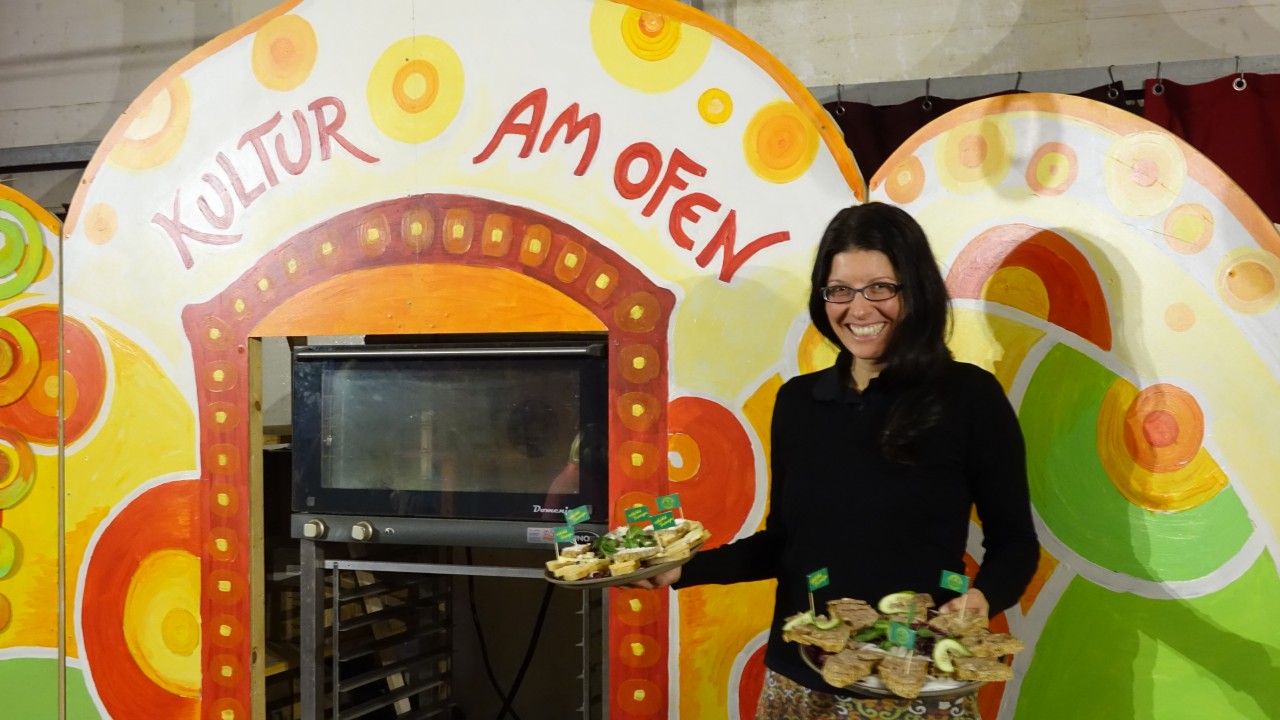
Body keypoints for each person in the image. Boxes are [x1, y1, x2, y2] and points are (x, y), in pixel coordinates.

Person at [630, 202, 1041, 719]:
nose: (858, 309)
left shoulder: (967, 397)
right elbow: (784, 544)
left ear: (915, 290)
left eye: (880, 288)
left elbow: (1015, 543)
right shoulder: (800, 402)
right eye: (840, 290)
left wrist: (983, 599)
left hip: (914, 685)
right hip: (799, 685)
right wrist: (680, 569)